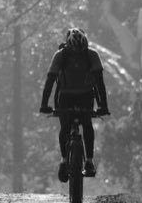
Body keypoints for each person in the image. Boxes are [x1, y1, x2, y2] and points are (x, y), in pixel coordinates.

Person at [39, 28, 110, 182]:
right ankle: (64, 160)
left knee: (87, 124)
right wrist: (44, 104)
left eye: (80, 52)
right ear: (68, 47)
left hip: (86, 95)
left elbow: (99, 84)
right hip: (65, 95)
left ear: (85, 47)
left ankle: (89, 161)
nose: (77, 55)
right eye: (74, 53)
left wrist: (103, 105)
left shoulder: (92, 55)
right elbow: (50, 81)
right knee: (65, 127)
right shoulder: (60, 56)